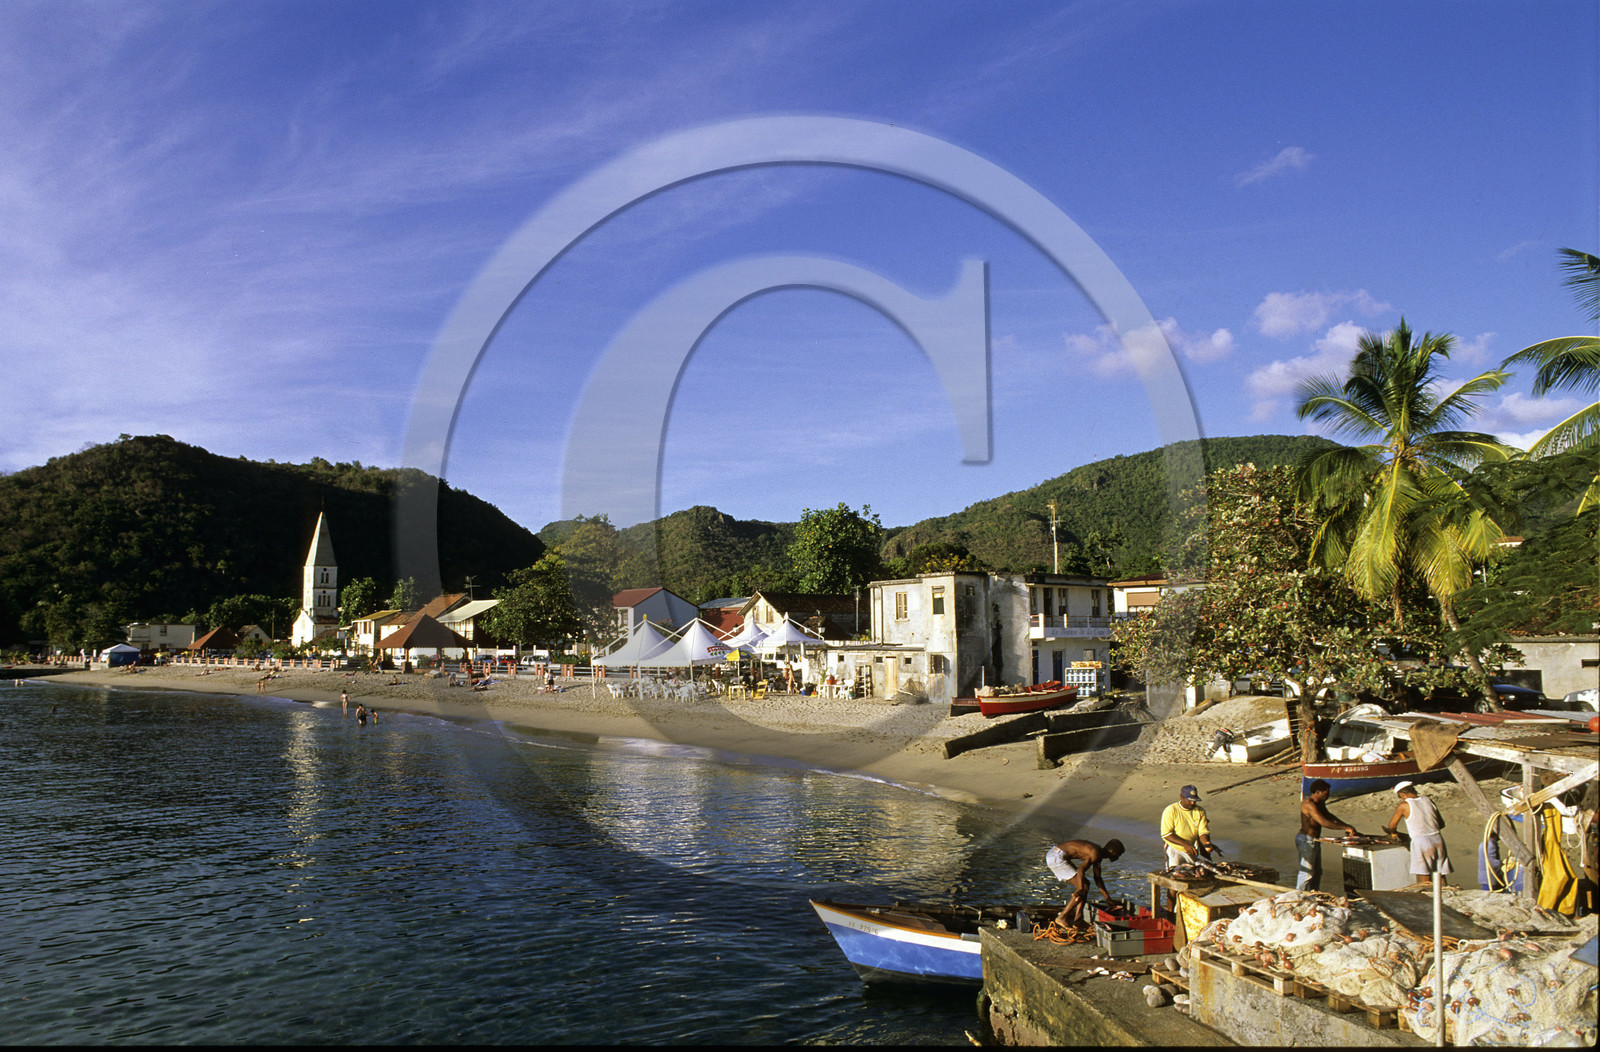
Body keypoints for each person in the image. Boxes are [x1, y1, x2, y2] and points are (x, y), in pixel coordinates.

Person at [1047, 838, 1125, 929]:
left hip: (1056, 854)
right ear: (1113, 851)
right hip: (1056, 856)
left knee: (1085, 885)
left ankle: (1078, 920)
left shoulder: (1098, 855)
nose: (1118, 858)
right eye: (1119, 854)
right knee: (1084, 886)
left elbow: (1098, 878)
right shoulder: (1096, 853)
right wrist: (1080, 889)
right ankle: (1062, 917)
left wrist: (1108, 898)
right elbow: (1081, 869)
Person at [1297, 779, 1360, 891]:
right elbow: (1324, 822)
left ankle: (1313, 894)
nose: (1328, 796)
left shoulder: (1320, 803)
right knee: (1307, 872)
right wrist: (1344, 827)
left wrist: (1346, 826)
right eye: (1326, 794)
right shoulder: (1309, 804)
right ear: (1317, 792)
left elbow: (1329, 816)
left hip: (1314, 840)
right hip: (1307, 840)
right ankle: (1300, 894)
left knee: (1317, 871)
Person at [1384, 780, 1451, 883]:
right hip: (1438, 839)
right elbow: (1441, 824)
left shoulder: (1404, 805)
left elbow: (1391, 825)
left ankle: (1428, 896)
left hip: (1421, 841)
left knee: (1424, 875)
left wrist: (1393, 832)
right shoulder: (1428, 800)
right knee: (1440, 873)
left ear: (1402, 794)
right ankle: (1446, 894)